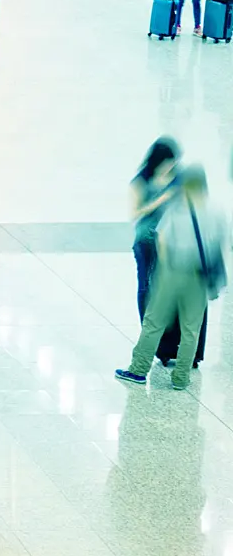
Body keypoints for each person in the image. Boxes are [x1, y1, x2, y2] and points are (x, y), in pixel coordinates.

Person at [118, 162, 224, 391]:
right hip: (199, 277)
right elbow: (218, 246)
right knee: (191, 328)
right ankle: (181, 378)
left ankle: (138, 370)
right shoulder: (217, 212)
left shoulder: (177, 209)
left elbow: (163, 241)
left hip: (173, 272)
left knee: (154, 322)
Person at [128, 138, 205, 370]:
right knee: (147, 290)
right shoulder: (141, 181)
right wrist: (160, 200)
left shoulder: (180, 177)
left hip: (175, 243)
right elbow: (135, 213)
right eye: (167, 162)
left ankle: (173, 349)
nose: (171, 167)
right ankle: (153, 344)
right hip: (147, 242)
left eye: (174, 162)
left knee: (173, 296)